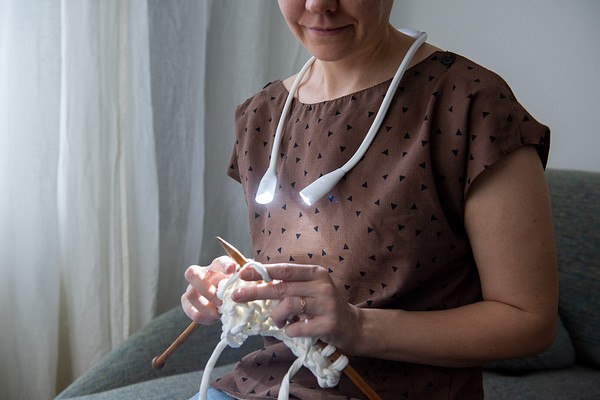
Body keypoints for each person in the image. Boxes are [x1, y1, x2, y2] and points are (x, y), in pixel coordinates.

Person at [181, 1, 557, 399]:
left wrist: (359, 327)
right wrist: (235, 286)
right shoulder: (261, 116)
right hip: (259, 388)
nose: (318, 4)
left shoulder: (473, 106)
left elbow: (529, 322)